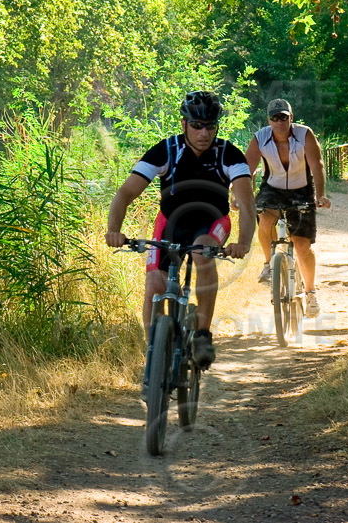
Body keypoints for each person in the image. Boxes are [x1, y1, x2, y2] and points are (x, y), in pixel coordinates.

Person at [105, 91, 254, 370]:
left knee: (202, 253)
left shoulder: (229, 154)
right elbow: (125, 193)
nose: (204, 132)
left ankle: (202, 334)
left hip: (212, 223)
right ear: (184, 123)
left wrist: (242, 243)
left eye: (210, 126)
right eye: (196, 125)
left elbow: (246, 204)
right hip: (171, 223)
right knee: (155, 285)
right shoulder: (166, 150)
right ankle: (153, 356)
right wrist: (114, 230)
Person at [245, 98, 331, 317]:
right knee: (265, 218)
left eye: (283, 117)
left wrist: (320, 195)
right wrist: (240, 198)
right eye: (275, 118)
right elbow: (246, 170)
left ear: (291, 118)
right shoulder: (260, 138)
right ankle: (268, 264)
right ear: (269, 120)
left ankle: (310, 293)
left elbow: (317, 165)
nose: (279, 122)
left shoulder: (305, 134)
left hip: (301, 188)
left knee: (301, 245)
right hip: (272, 188)